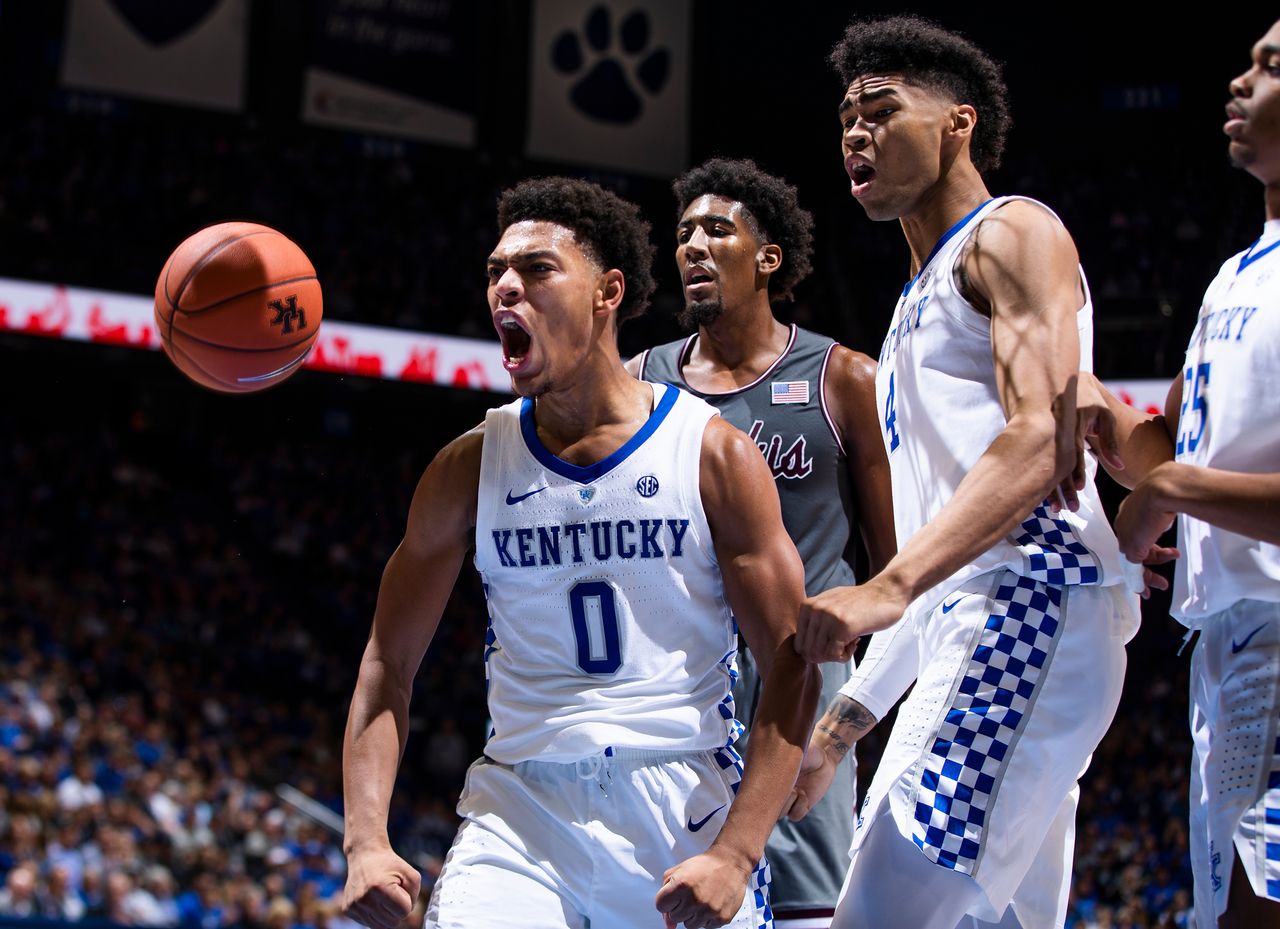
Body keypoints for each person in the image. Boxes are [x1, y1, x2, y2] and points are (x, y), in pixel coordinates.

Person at [339, 177, 821, 929]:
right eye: (497, 270)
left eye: (536, 270)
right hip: (521, 811)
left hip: (680, 802)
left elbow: (790, 664)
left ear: (608, 292)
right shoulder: (468, 465)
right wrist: (365, 839)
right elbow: (386, 664)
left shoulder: (712, 454)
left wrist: (737, 853)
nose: (506, 287)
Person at [791, 16, 1141, 929]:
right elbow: (943, 557)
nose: (854, 135)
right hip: (979, 616)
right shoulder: (913, 302)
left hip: (1027, 602)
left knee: (875, 918)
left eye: (880, 109)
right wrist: (838, 729)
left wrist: (887, 581)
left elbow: (1040, 437)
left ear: (959, 123)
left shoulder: (1011, 231)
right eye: (844, 120)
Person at [627, 157, 898, 929]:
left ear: (768, 258)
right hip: (675, 698)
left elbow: (897, 574)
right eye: (684, 234)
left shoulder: (842, 379)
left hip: (798, 697)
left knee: (809, 912)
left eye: (718, 229)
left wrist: (844, 730)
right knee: (665, 904)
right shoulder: (640, 383)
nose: (693, 246)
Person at [1075, 19, 1280, 929]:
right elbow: (1192, 460)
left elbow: (1184, 483)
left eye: (1270, 66)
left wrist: (1166, 493)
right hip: (1226, 640)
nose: (1238, 81)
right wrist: (1115, 427)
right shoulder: (1233, 275)